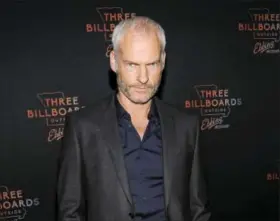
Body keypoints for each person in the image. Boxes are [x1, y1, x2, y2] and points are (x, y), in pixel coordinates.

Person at [57, 16, 211, 221]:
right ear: (114, 61)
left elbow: (198, 208)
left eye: (152, 64)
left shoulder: (186, 126)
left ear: (163, 61)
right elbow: (70, 213)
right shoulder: (82, 127)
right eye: (132, 65)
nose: (143, 78)